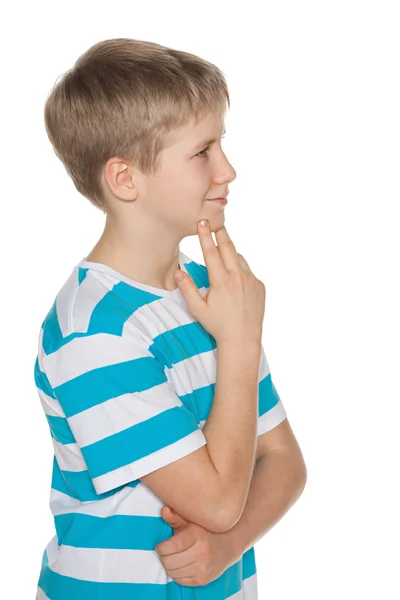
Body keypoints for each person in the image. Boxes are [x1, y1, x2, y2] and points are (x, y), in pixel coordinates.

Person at [34, 38, 306, 600]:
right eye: (202, 151)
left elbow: (282, 460)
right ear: (125, 179)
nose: (228, 171)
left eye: (221, 144)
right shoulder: (93, 332)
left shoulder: (212, 292)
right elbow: (218, 502)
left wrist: (229, 547)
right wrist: (238, 339)